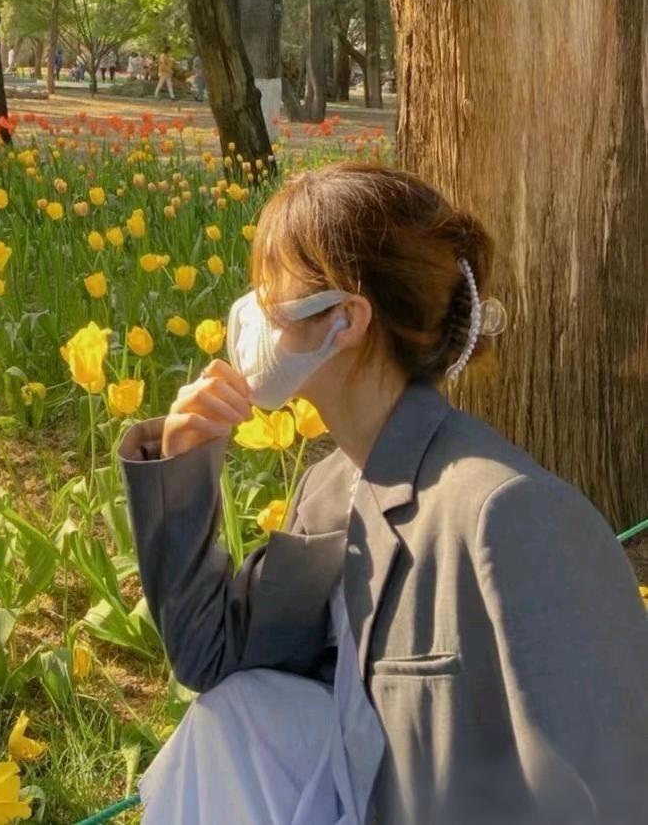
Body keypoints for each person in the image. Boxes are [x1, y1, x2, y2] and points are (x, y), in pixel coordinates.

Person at [118, 163, 648, 825]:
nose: (249, 312)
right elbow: (211, 656)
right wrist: (186, 467)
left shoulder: (505, 512)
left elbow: (612, 791)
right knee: (237, 714)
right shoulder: (333, 488)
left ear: (344, 320)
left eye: (269, 290)